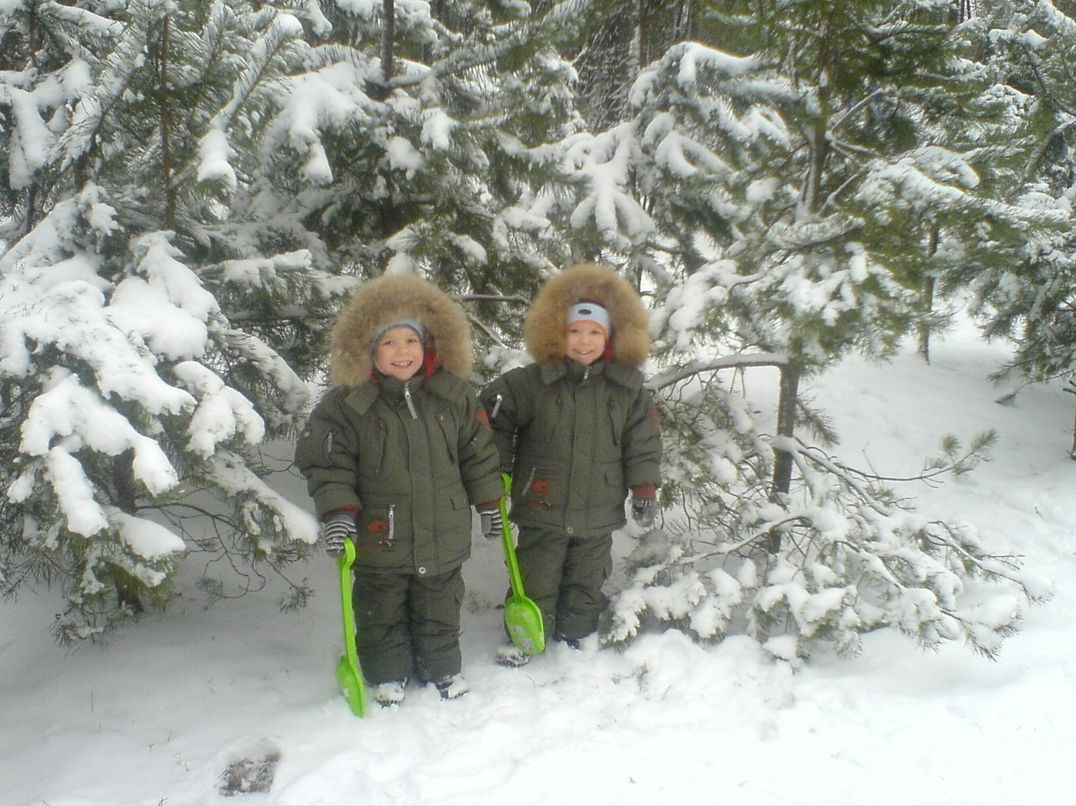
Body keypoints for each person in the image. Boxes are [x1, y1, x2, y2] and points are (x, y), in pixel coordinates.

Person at [294, 273, 503, 705]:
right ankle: (387, 675)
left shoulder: (454, 396)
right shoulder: (348, 405)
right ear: (369, 348)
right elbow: (329, 464)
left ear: (429, 344)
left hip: (441, 530)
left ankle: (441, 668)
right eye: (389, 343)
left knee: (440, 606)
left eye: (411, 341)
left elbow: (478, 452)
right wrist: (337, 514)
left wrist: (488, 503)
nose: (402, 352)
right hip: (379, 535)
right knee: (380, 609)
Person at [479, 262, 663, 666]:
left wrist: (645, 488)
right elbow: (493, 420)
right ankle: (524, 634)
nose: (583, 341)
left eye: (594, 332)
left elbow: (644, 443)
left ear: (611, 337)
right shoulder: (531, 382)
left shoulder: (627, 390)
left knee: (587, 577)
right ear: (556, 333)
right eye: (574, 331)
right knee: (535, 575)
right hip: (542, 503)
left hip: (599, 506)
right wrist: (500, 473)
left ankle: (577, 632)